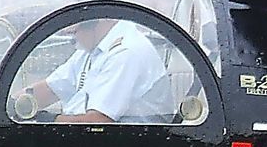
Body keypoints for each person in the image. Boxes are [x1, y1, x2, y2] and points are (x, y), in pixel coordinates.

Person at [19, 16, 173, 124]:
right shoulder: (92, 48)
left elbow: (98, 121)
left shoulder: (125, 52)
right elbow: (51, 89)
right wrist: (13, 105)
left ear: (93, 21)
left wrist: (47, 120)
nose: (70, 34)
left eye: (74, 30)